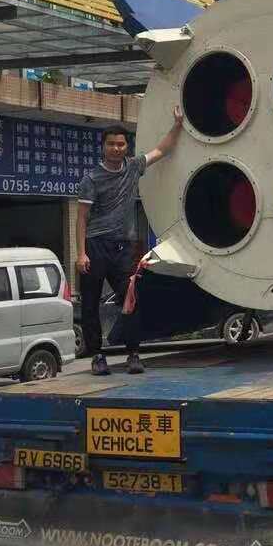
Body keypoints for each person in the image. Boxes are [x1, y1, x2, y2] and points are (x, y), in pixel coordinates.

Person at [77, 110, 183, 376]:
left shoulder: (134, 167)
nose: (116, 148)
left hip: (124, 248)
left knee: (131, 300)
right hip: (95, 246)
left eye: (120, 144)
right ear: (103, 147)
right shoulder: (91, 180)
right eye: (111, 144)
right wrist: (81, 254)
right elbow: (81, 219)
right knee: (90, 304)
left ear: (127, 147)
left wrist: (178, 124)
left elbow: (163, 149)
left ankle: (133, 354)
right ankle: (97, 357)